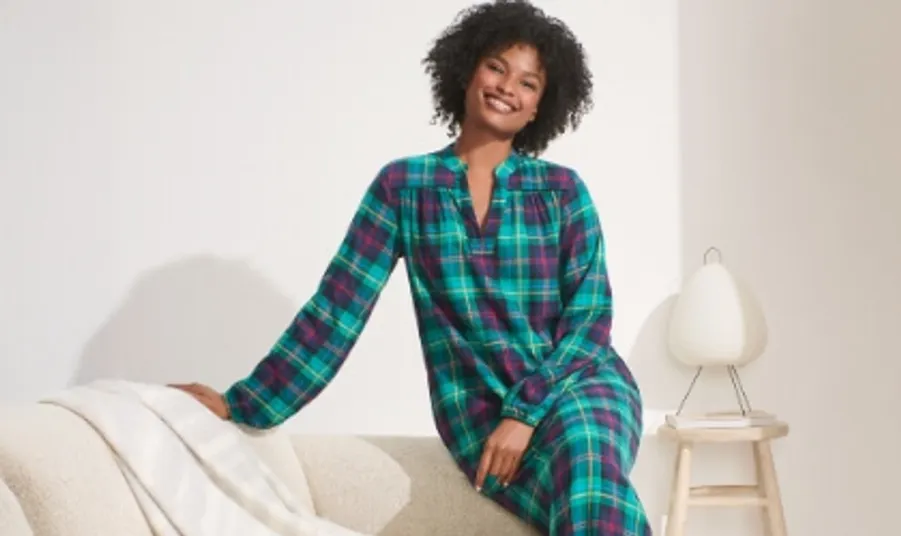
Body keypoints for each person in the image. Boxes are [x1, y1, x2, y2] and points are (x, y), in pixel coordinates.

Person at [168, 2, 650, 534]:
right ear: (467, 70)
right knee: (583, 504)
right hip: (480, 413)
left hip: (578, 387)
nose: (507, 87)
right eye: (496, 67)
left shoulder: (563, 191)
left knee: (586, 464)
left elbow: (590, 320)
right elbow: (336, 312)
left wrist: (526, 413)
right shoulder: (404, 187)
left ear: (540, 107)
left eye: (528, 83)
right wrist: (243, 404)